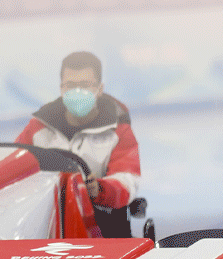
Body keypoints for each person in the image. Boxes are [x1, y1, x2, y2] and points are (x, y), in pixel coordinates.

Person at [16, 50, 141, 236]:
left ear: (99, 89)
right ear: (61, 89)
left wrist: (98, 189)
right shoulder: (38, 128)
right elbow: (13, 171)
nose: (77, 92)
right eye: (71, 85)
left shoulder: (118, 131)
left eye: (85, 85)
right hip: (43, 227)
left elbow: (127, 182)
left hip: (100, 228)